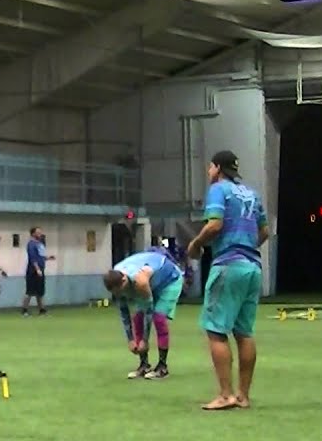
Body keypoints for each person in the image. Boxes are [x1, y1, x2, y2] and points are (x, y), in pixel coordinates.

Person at [187, 150, 268, 411]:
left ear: (217, 168)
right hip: (252, 266)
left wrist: (196, 244)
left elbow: (215, 225)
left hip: (228, 265)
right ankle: (243, 396)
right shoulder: (252, 194)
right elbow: (265, 230)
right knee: (244, 332)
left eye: (210, 168)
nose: (209, 172)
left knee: (216, 330)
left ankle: (225, 394)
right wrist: (247, 247)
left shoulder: (218, 190)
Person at [104, 245, 185, 380]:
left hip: (169, 281)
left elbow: (149, 310)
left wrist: (145, 340)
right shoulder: (116, 279)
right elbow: (124, 312)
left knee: (158, 318)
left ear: (124, 281)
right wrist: (130, 340)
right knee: (137, 317)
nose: (120, 294)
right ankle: (143, 365)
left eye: (120, 290)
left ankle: (162, 367)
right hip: (152, 282)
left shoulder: (140, 281)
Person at [21, 227, 55, 316]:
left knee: (40, 292)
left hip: (41, 269)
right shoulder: (31, 244)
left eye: (40, 232)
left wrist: (48, 258)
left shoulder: (40, 244)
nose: (40, 234)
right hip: (33, 271)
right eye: (38, 232)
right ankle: (24, 310)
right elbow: (33, 258)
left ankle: (42, 310)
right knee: (30, 292)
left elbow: (41, 256)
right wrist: (37, 269)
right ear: (33, 234)